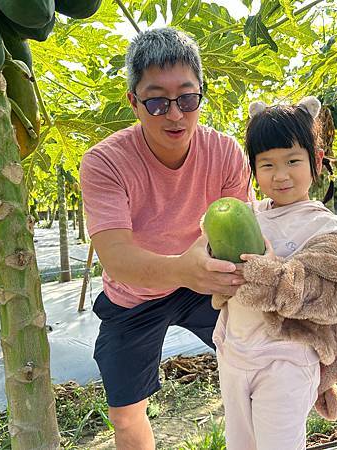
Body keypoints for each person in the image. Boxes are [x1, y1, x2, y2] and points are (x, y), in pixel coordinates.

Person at [79, 28, 253, 449]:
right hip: (135, 295)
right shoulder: (104, 162)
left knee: (261, 365)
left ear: (201, 97)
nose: (174, 114)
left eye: (187, 99)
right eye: (156, 101)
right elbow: (117, 258)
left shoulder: (227, 152)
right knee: (124, 414)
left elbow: (244, 234)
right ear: (134, 103)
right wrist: (181, 269)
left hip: (206, 279)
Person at [211, 97, 337, 450]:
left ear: (315, 161)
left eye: (292, 160)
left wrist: (276, 278)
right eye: (267, 164)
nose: (281, 174)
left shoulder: (325, 229)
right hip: (235, 354)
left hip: (287, 362)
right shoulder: (249, 213)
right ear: (254, 170)